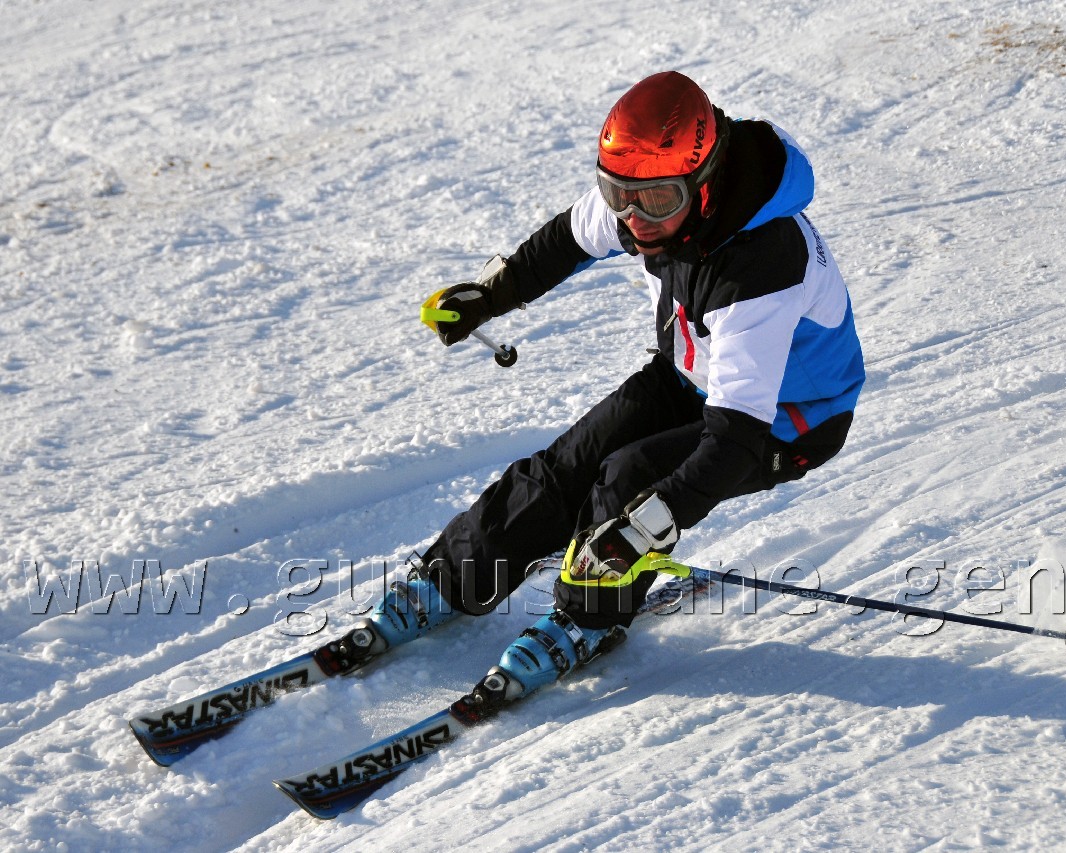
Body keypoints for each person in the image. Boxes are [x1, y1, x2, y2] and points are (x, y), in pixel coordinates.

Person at [365, 71, 865, 710]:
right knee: (567, 464)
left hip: (786, 421)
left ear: (703, 183)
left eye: (654, 202)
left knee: (627, 482)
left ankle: (589, 619)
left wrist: (648, 527)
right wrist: (491, 294)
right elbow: (566, 240)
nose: (634, 219)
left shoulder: (764, 264)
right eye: (617, 194)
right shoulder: (650, 192)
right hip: (692, 371)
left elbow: (735, 439)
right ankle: (452, 578)